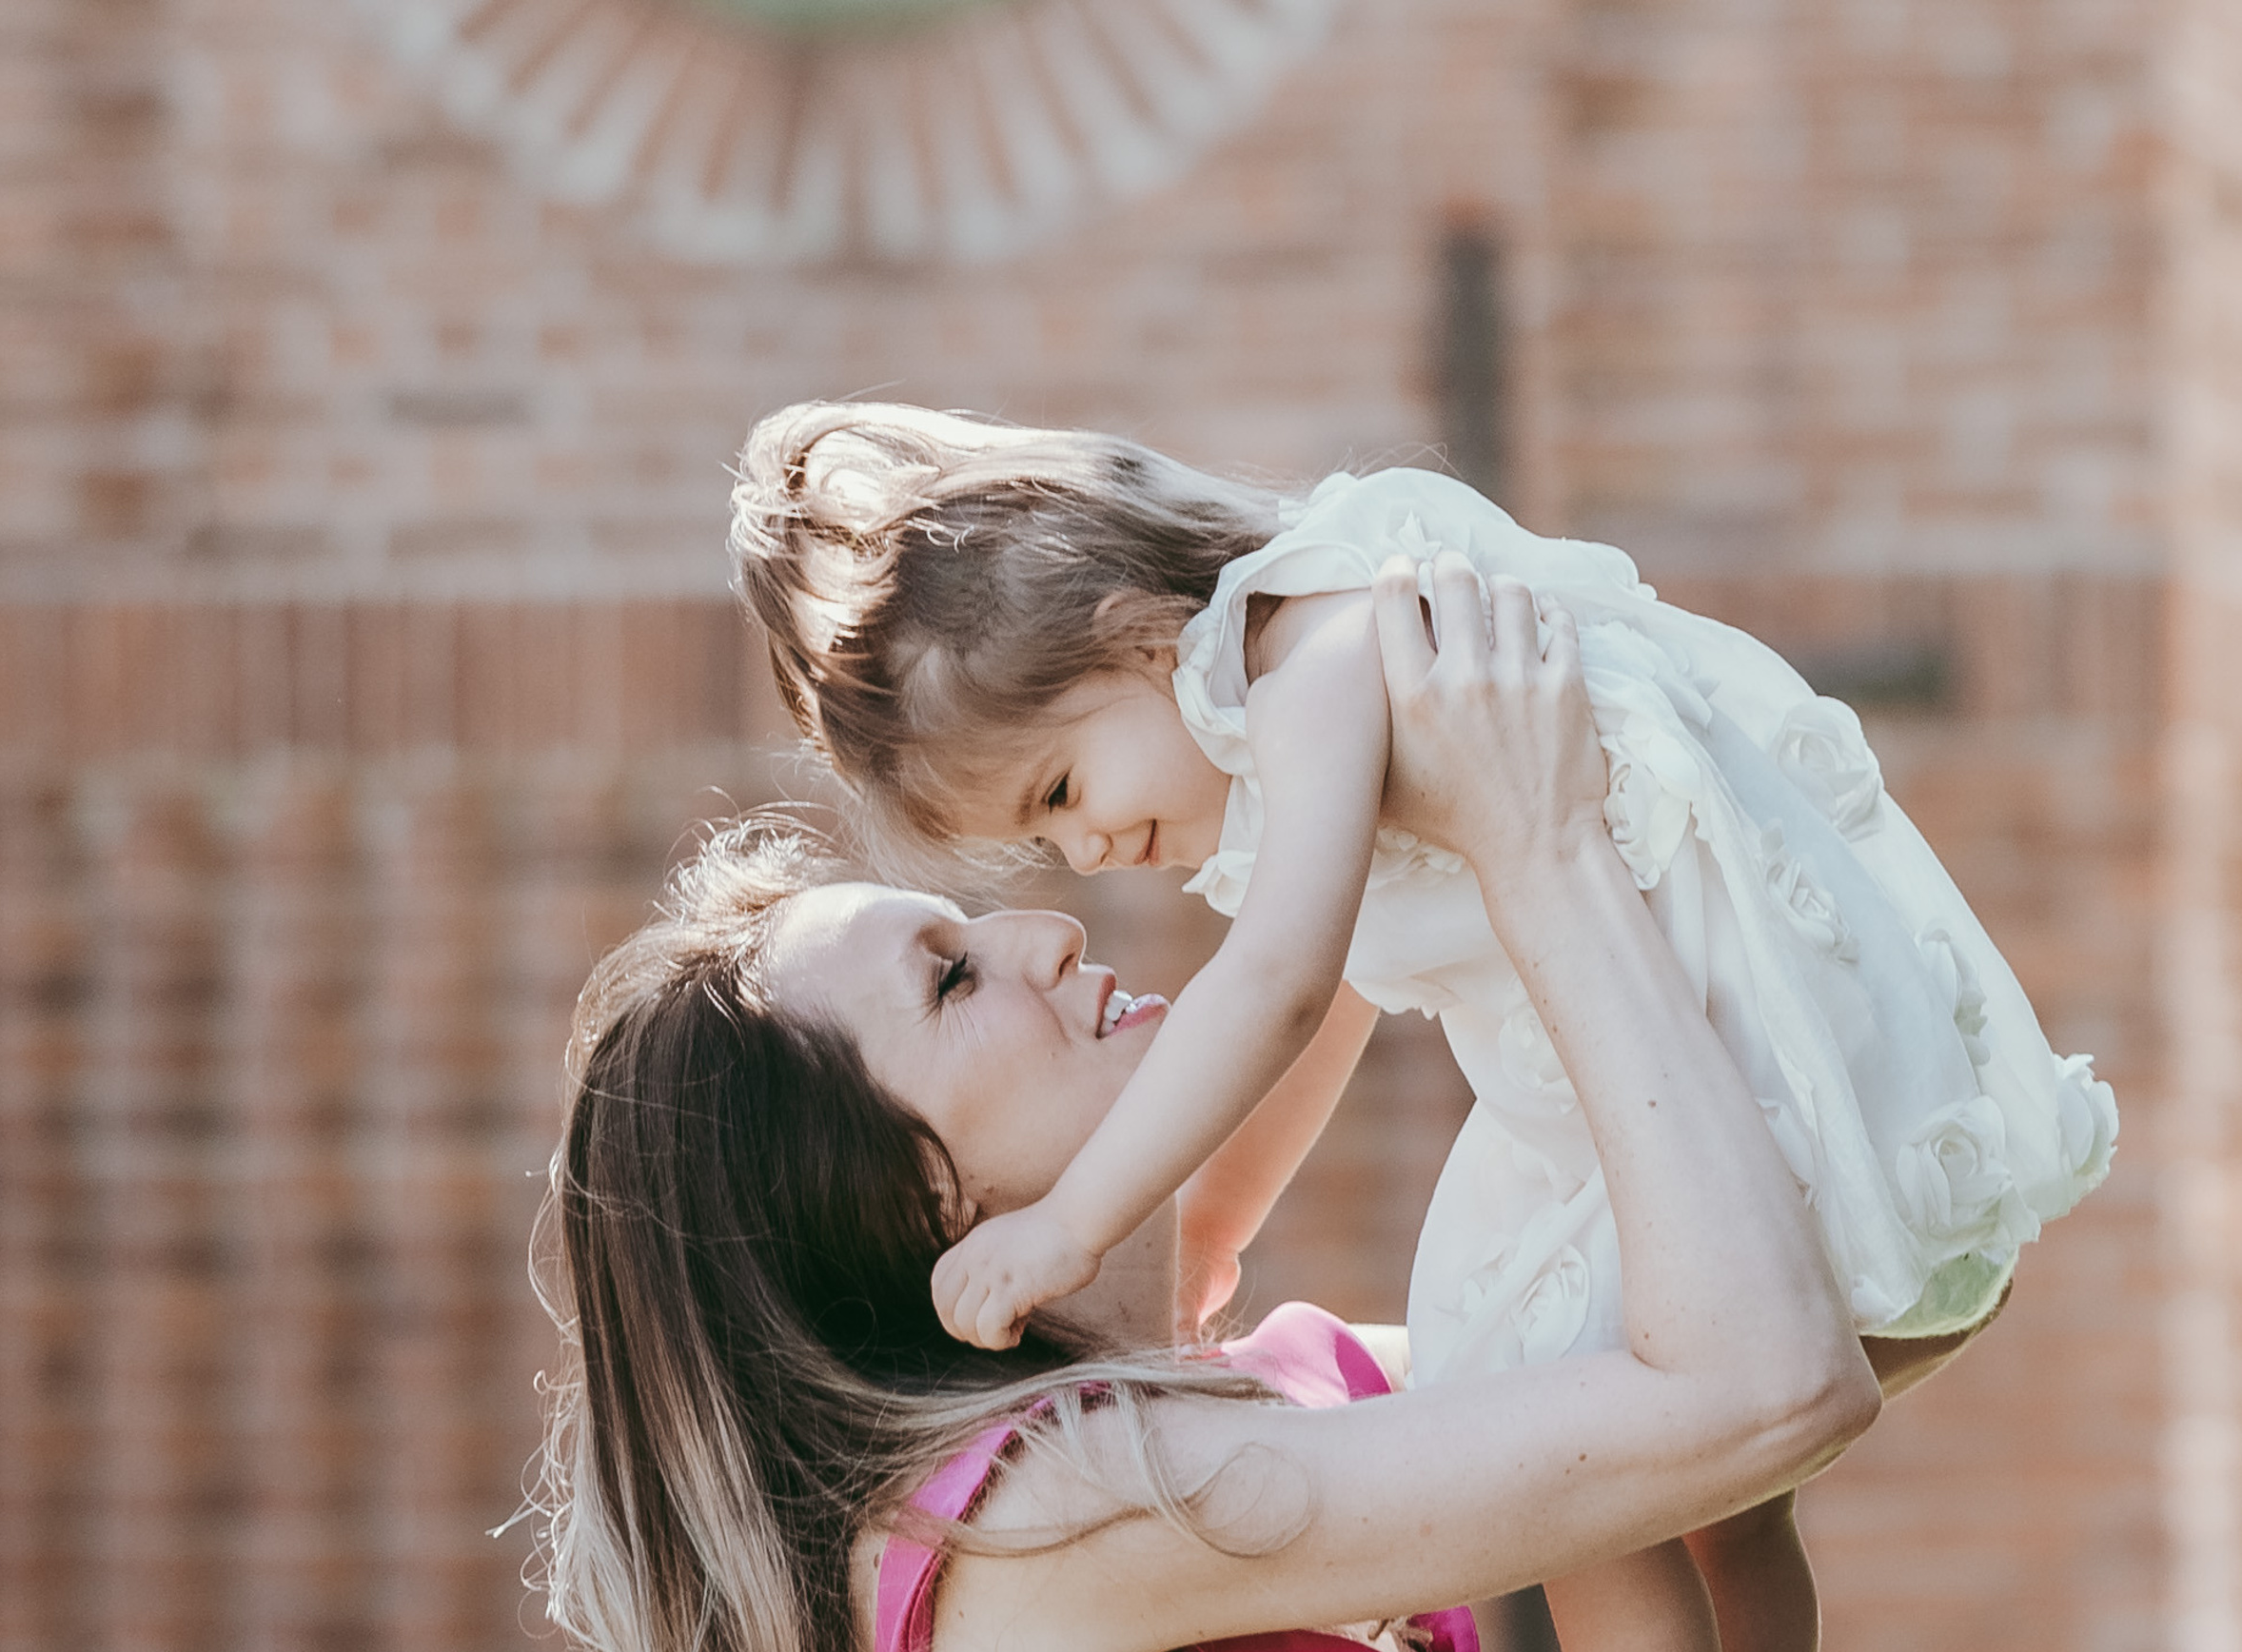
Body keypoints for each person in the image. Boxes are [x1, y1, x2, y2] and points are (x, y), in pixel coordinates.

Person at [728, 405, 2119, 1652]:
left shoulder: (1321, 662)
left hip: (1701, 1020)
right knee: (1716, 1499)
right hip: (1692, 1028)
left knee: (1565, 1402)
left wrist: (1073, 1225)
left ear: (1137, 635)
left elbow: (1279, 981)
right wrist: (1215, 1227)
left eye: (1059, 791)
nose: (1086, 856)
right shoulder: (1299, 678)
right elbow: (1341, 980)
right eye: (1047, 839)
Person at [533, 569, 1885, 1652]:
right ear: (911, 1196)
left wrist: (1351, 770)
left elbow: (1715, 1386)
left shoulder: (1222, 1409)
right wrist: (1540, 844)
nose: (1050, 930)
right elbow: (1765, 1387)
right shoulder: (1044, 1518)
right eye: (951, 979)